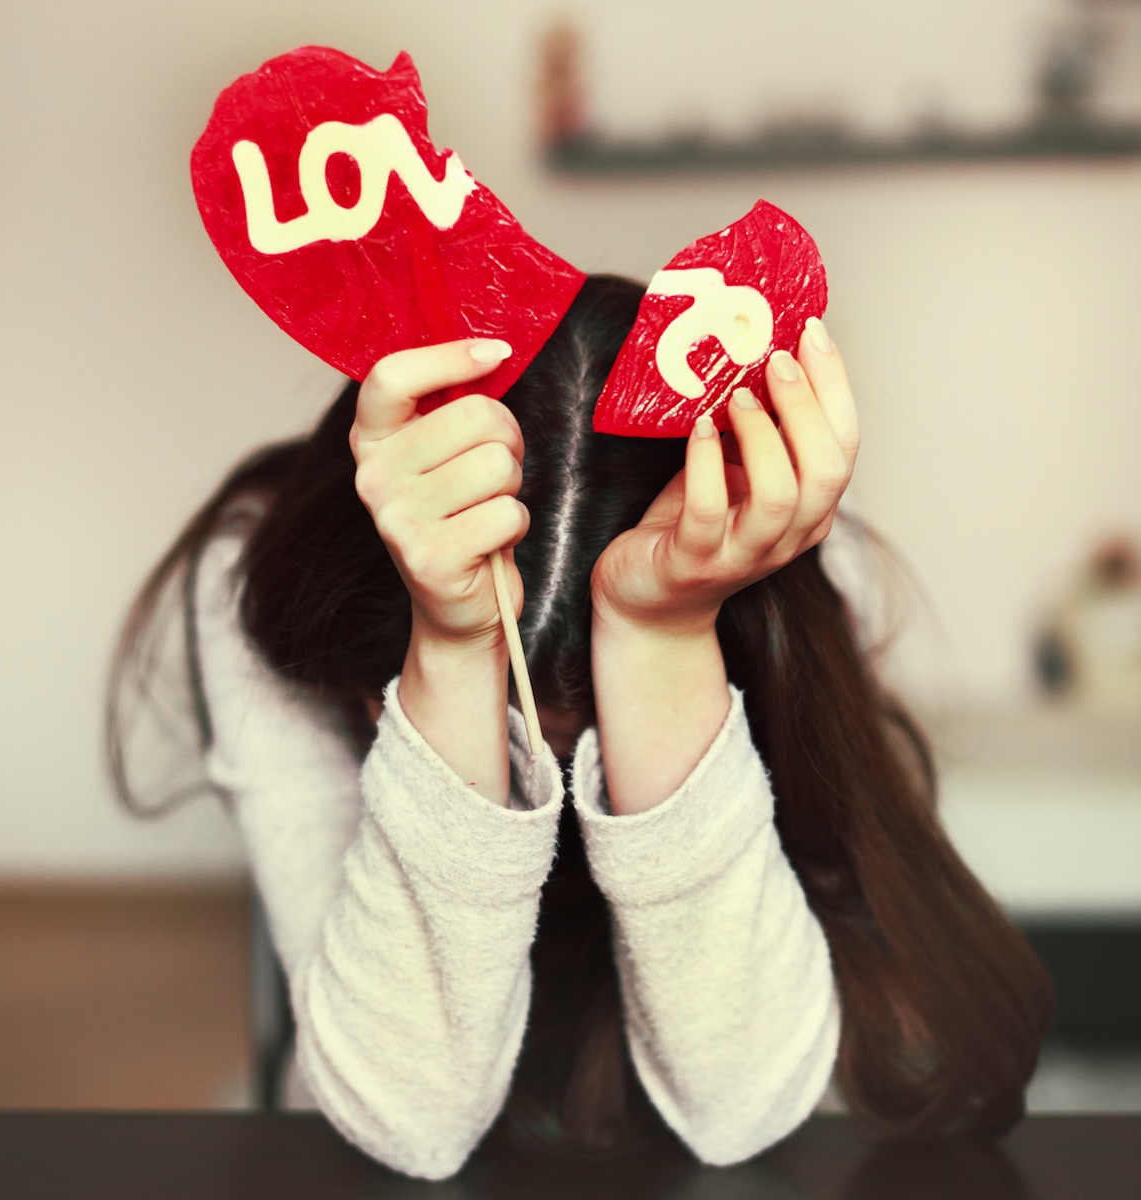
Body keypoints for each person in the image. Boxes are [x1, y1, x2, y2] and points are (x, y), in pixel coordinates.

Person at [108, 275, 1052, 1181]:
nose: (554, 788)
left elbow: (742, 1105)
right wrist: (453, 653)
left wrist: (662, 637)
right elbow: (410, 1119)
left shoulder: (768, 546)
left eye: (574, 747)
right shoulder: (261, 576)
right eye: (528, 743)